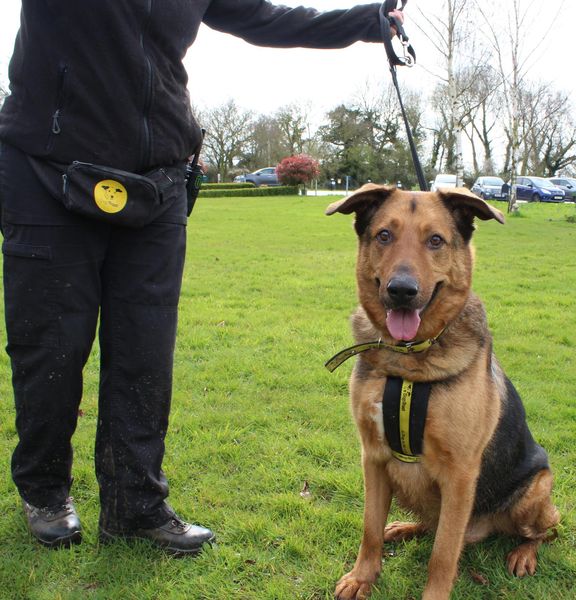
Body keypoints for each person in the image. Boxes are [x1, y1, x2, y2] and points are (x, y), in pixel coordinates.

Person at [0, 0, 403, 555]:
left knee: (145, 352)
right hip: (46, 170)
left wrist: (366, 19)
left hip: (156, 182)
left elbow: (267, 19)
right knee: (51, 349)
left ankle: (135, 505)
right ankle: (45, 492)